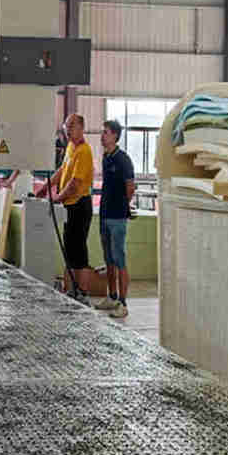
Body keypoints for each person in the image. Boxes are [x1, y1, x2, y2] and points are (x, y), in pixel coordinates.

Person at [34, 113, 94, 303]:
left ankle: (82, 292)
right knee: (69, 248)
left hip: (79, 205)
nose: (67, 130)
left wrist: (57, 198)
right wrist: (46, 187)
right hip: (69, 205)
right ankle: (70, 291)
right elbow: (62, 171)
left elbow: (75, 184)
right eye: (66, 126)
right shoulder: (70, 147)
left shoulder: (84, 151)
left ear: (81, 127)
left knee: (79, 250)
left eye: (72, 126)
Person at [97, 119, 136, 319]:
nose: (102, 136)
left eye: (105, 132)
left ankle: (123, 303)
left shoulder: (123, 159)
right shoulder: (106, 157)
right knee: (109, 259)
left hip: (117, 217)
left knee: (119, 259)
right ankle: (112, 297)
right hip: (104, 215)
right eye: (102, 132)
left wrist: (121, 207)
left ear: (114, 136)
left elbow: (130, 187)